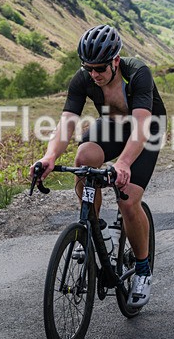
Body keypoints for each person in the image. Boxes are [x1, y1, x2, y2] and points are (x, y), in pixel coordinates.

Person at [31, 24, 166, 308]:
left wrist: (124, 163)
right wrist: (49, 157)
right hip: (113, 127)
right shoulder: (84, 79)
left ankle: (142, 270)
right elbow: (67, 122)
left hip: (146, 129)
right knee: (84, 161)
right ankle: (98, 228)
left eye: (100, 68)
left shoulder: (137, 73)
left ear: (116, 61)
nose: (94, 74)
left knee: (128, 199)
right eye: (89, 68)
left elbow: (142, 126)